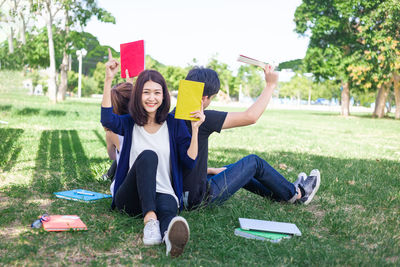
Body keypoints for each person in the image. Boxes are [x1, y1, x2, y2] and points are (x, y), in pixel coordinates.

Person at [101, 49, 205, 257]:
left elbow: (190, 161)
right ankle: (150, 221)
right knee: (149, 155)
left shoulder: (174, 124)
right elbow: (107, 120)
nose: (151, 98)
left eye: (157, 93)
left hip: (163, 193)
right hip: (130, 198)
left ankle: (169, 236)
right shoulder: (130, 123)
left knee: (168, 205)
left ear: (163, 95)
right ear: (138, 94)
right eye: (146, 92)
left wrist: (195, 130)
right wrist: (108, 80)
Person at [175, 66, 321, 210]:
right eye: (212, 98)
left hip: (181, 193)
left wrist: (210, 170)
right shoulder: (204, 119)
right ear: (204, 98)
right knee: (253, 162)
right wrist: (270, 85)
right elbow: (250, 117)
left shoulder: (172, 115)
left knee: (234, 169)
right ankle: (298, 193)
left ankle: (282, 194)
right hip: (200, 198)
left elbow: (181, 160)